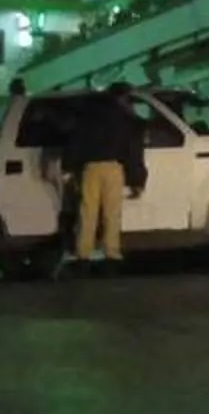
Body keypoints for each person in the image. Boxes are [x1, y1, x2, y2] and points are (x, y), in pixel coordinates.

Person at [60, 81, 146, 272]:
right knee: (111, 213)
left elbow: (75, 141)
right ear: (123, 97)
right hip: (114, 167)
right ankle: (112, 253)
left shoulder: (88, 115)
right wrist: (137, 180)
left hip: (89, 167)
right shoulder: (125, 118)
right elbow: (132, 151)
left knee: (87, 211)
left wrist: (68, 167)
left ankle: (83, 253)